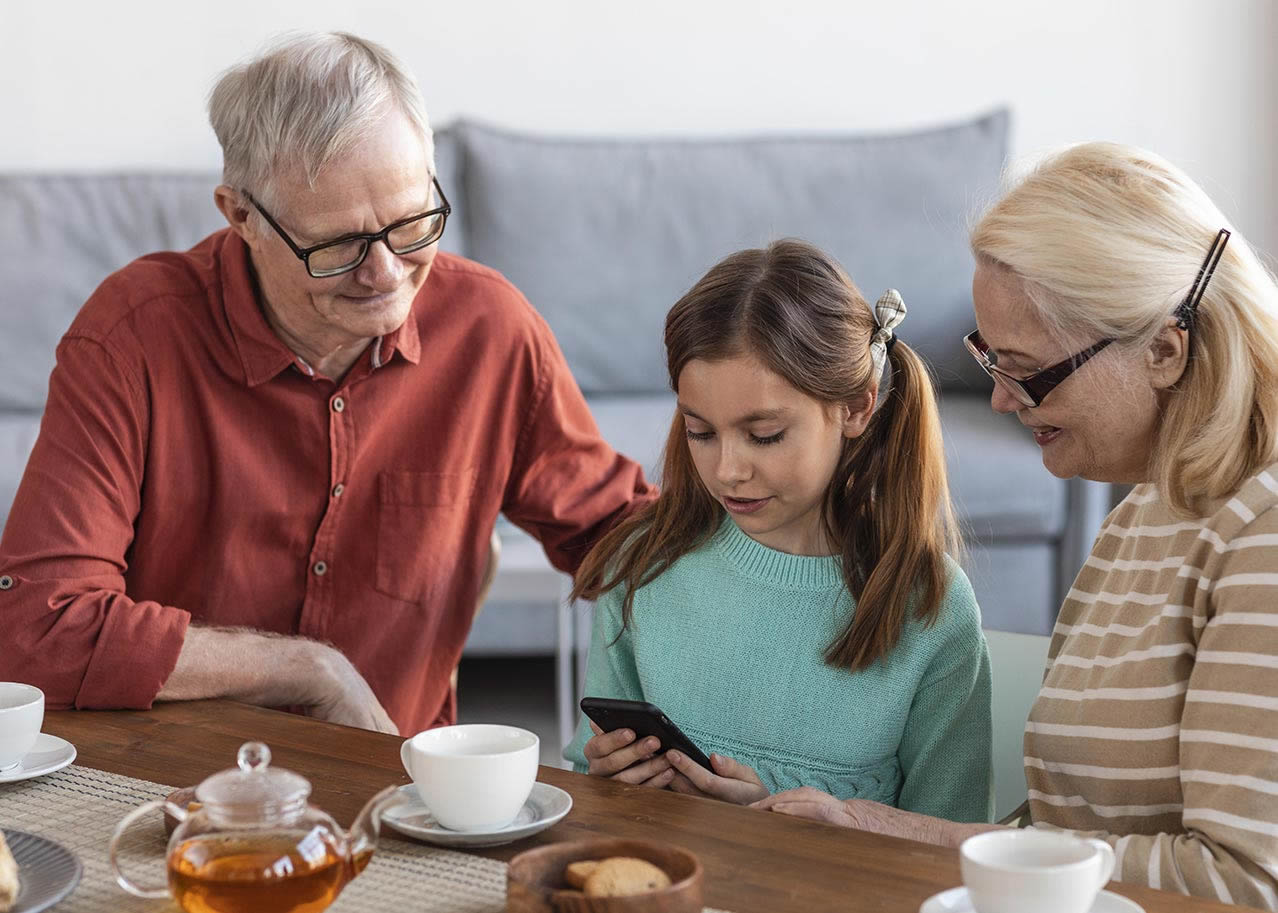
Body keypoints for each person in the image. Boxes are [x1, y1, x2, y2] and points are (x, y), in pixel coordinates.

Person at [0, 33, 652, 736]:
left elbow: (619, 536)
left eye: (410, 224)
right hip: (175, 782)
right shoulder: (133, 338)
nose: (385, 273)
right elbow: (39, 625)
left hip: (395, 788)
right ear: (241, 216)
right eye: (337, 246)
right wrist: (309, 670)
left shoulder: (490, 329)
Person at [756, 143, 1278, 908]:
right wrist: (860, 822)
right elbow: (1073, 830)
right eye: (988, 358)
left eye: (1026, 367)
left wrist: (918, 834)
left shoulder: (1260, 538)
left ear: (1165, 350)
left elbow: (1243, 883)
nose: (1002, 399)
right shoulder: (1149, 508)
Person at [563, 240, 993, 823]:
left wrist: (785, 829)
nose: (727, 471)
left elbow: (951, 846)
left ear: (857, 408)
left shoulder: (929, 605)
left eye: (763, 435)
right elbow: (582, 787)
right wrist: (607, 778)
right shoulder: (644, 567)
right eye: (701, 432)